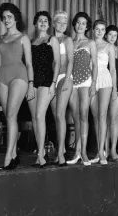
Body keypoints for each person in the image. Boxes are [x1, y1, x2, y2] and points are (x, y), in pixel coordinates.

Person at [0, 3, 35, 170]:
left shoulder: (23, 37)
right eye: (4, 17)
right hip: (2, 78)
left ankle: (8, 158)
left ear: (16, 18)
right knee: (8, 117)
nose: (6, 20)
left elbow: (29, 64)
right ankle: (14, 155)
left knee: (11, 116)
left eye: (9, 17)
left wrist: (31, 84)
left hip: (19, 76)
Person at [28, 11, 60, 168]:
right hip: (32, 81)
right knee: (35, 118)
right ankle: (41, 152)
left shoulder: (52, 39)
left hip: (47, 80)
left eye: (45, 20)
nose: (42, 23)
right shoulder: (30, 41)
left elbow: (58, 63)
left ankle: (40, 155)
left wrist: (54, 83)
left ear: (49, 24)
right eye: (39, 20)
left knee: (40, 115)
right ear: (35, 23)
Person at [67, 12, 97, 166]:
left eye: (83, 23)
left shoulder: (90, 42)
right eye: (78, 22)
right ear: (74, 24)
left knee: (84, 115)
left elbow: (95, 65)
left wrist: (94, 84)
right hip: (72, 81)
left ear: (87, 26)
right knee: (76, 116)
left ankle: (84, 151)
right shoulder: (69, 42)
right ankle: (77, 151)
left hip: (86, 81)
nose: (80, 25)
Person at [89, 20, 117, 165]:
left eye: (102, 29)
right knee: (95, 117)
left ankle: (101, 152)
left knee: (102, 115)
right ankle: (100, 151)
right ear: (93, 30)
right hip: (91, 80)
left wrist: (115, 89)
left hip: (105, 79)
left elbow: (112, 69)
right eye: (97, 29)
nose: (100, 32)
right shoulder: (89, 43)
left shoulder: (109, 46)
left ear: (105, 31)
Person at [50, 10, 74, 166]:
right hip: (51, 80)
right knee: (56, 117)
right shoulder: (49, 39)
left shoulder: (67, 39)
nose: (62, 25)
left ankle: (60, 154)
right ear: (54, 23)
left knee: (60, 114)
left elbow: (71, 61)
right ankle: (62, 149)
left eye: (64, 23)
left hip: (65, 77)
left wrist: (66, 80)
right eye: (59, 22)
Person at [105, 25, 118, 161]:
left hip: (117, 87)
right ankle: (104, 150)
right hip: (103, 87)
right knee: (103, 120)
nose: (112, 38)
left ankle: (113, 150)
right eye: (110, 35)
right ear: (106, 35)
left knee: (113, 118)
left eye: (115, 35)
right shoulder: (100, 49)